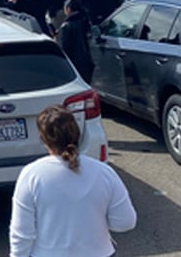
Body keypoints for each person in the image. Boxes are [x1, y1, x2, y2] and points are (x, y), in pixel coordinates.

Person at [9, 105, 136, 257]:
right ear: (77, 134)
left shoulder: (31, 175)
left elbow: (21, 233)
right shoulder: (104, 172)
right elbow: (125, 222)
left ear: (43, 139)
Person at [55, 0, 95, 83]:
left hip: (74, 67)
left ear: (68, 9)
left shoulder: (66, 26)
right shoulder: (86, 22)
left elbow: (63, 49)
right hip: (88, 64)